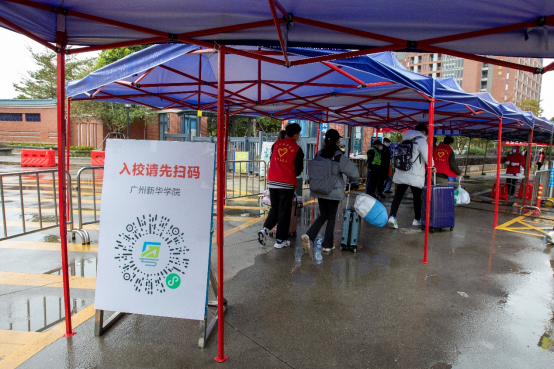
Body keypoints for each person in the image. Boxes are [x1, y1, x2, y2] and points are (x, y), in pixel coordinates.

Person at [301, 129, 359, 252]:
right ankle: (327, 245)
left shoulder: (319, 154)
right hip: (333, 190)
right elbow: (354, 172)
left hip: (320, 189)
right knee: (331, 217)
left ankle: (309, 235)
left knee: (323, 215)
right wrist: (354, 179)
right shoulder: (339, 156)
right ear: (337, 140)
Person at [258, 123, 304, 248]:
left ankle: (265, 229)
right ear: (295, 134)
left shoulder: (276, 144)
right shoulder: (297, 148)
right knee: (284, 212)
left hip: (272, 182)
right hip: (286, 183)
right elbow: (299, 170)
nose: (299, 136)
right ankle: (280, 240)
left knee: (275, 208)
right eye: (298, 134)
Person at [387, 124, 430, 229]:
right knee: (417, 197)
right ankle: (417, 219)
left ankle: (392, 216)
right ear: (423, 132)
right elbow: (427, 156)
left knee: (398, 196)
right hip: (415, 174)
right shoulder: (421, 141)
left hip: (402, 172)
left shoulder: (404, 140)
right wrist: (432, 166)